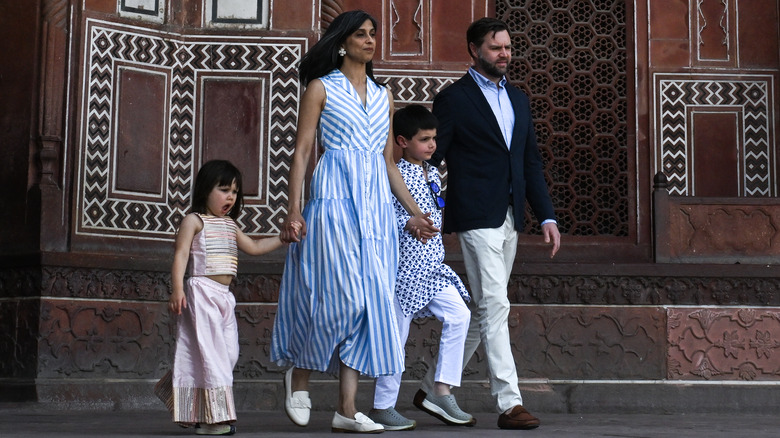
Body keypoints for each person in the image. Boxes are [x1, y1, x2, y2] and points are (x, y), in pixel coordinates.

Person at [269, 10, 438, 434]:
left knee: (367, 307)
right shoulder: (321, 88)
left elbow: (388, 164)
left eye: (373, 34)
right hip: (333, 204)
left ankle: (346, 408)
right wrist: (293, 209)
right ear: (342, 42)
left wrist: (415, 212)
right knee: (342, 298)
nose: (369, 40)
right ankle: (301, 374)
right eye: (360, 35)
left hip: (377, 212)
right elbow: (304, 151)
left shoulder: (384, 96)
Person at [417, 17, 562, 430]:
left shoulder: (518, 99)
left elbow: (529, 160)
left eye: (508, 47)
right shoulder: (454, 99)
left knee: (485, 311)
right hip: (475, 215)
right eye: (496, 47)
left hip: (510, 215)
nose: (505, 54)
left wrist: (546, 214)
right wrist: (421, 207)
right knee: (497, 303)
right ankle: (509, 403)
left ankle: (433, 388)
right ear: (474, 50)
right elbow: (432, 156)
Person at [154, 159, 297, 436]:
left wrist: (283, 238)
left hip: (224, 298)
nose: (230, 196)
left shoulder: (230, 225)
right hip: (202, 292)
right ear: (205, 190)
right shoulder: (194, 221)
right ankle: (214, 420)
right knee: (215, 357)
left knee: (228, 354)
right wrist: (178, 288)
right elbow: (181, 255)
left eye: (234, 191)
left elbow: (254, 247)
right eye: (223, 189)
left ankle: (183, 393)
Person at [367, 104, 474, 431]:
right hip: (402, 273)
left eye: (434, 138)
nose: (431, 145)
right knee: (395, 339)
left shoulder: (431, 172)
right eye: (424, 139)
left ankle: (441, 390)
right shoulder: (392, 174)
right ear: (401, 141)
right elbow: (383, 218)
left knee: (460, 315)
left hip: (431, 269)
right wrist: (408, 223)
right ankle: (383, 406)